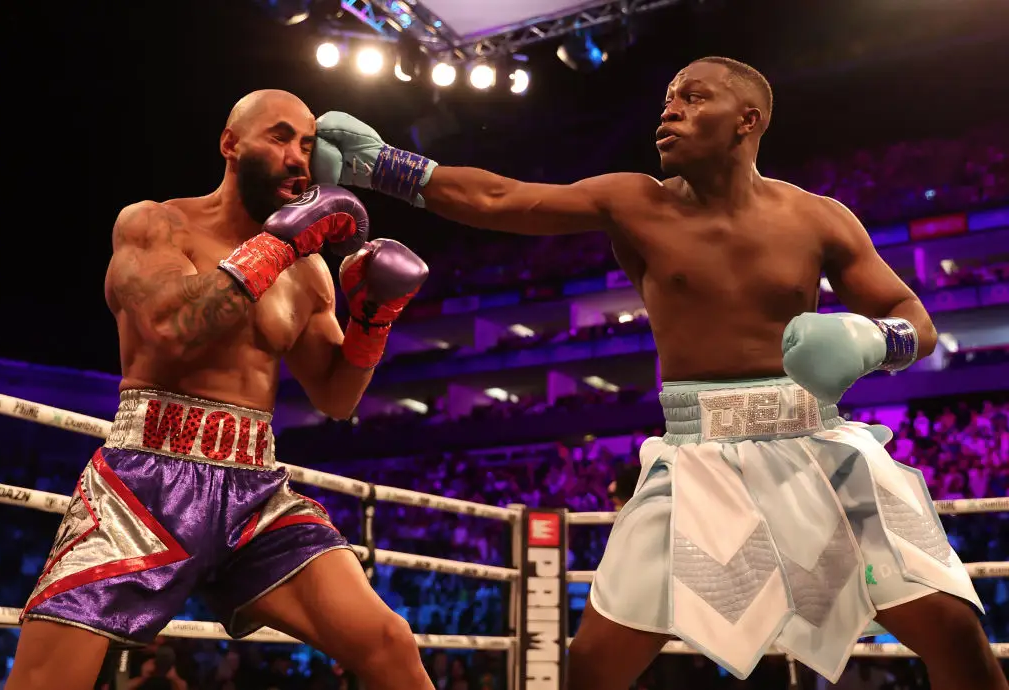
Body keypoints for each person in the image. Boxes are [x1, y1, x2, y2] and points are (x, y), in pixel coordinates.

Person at [314, 58, 1006, 689]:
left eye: (694, 97)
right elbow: (501, 198)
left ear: (748, 120)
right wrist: (384, 166)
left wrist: (873, 339)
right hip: (696, 457)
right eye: (668, 97)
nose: (669, 110)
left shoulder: (818, 217)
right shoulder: (635, 201)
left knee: (954, 634)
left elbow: (915, 321)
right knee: (594, 666)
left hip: (817, 449)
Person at [7, 89, 435, 690]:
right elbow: (171, 332)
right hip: (145, 480)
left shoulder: (309, 271)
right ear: (230, 144)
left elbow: (337, 399)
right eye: (279, 137)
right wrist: (278, 244)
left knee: (388, 643)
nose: (298, 157)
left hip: (254, 489)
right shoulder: (157, 224)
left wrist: (372, 319)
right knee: (47, 681)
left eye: (307, 144)